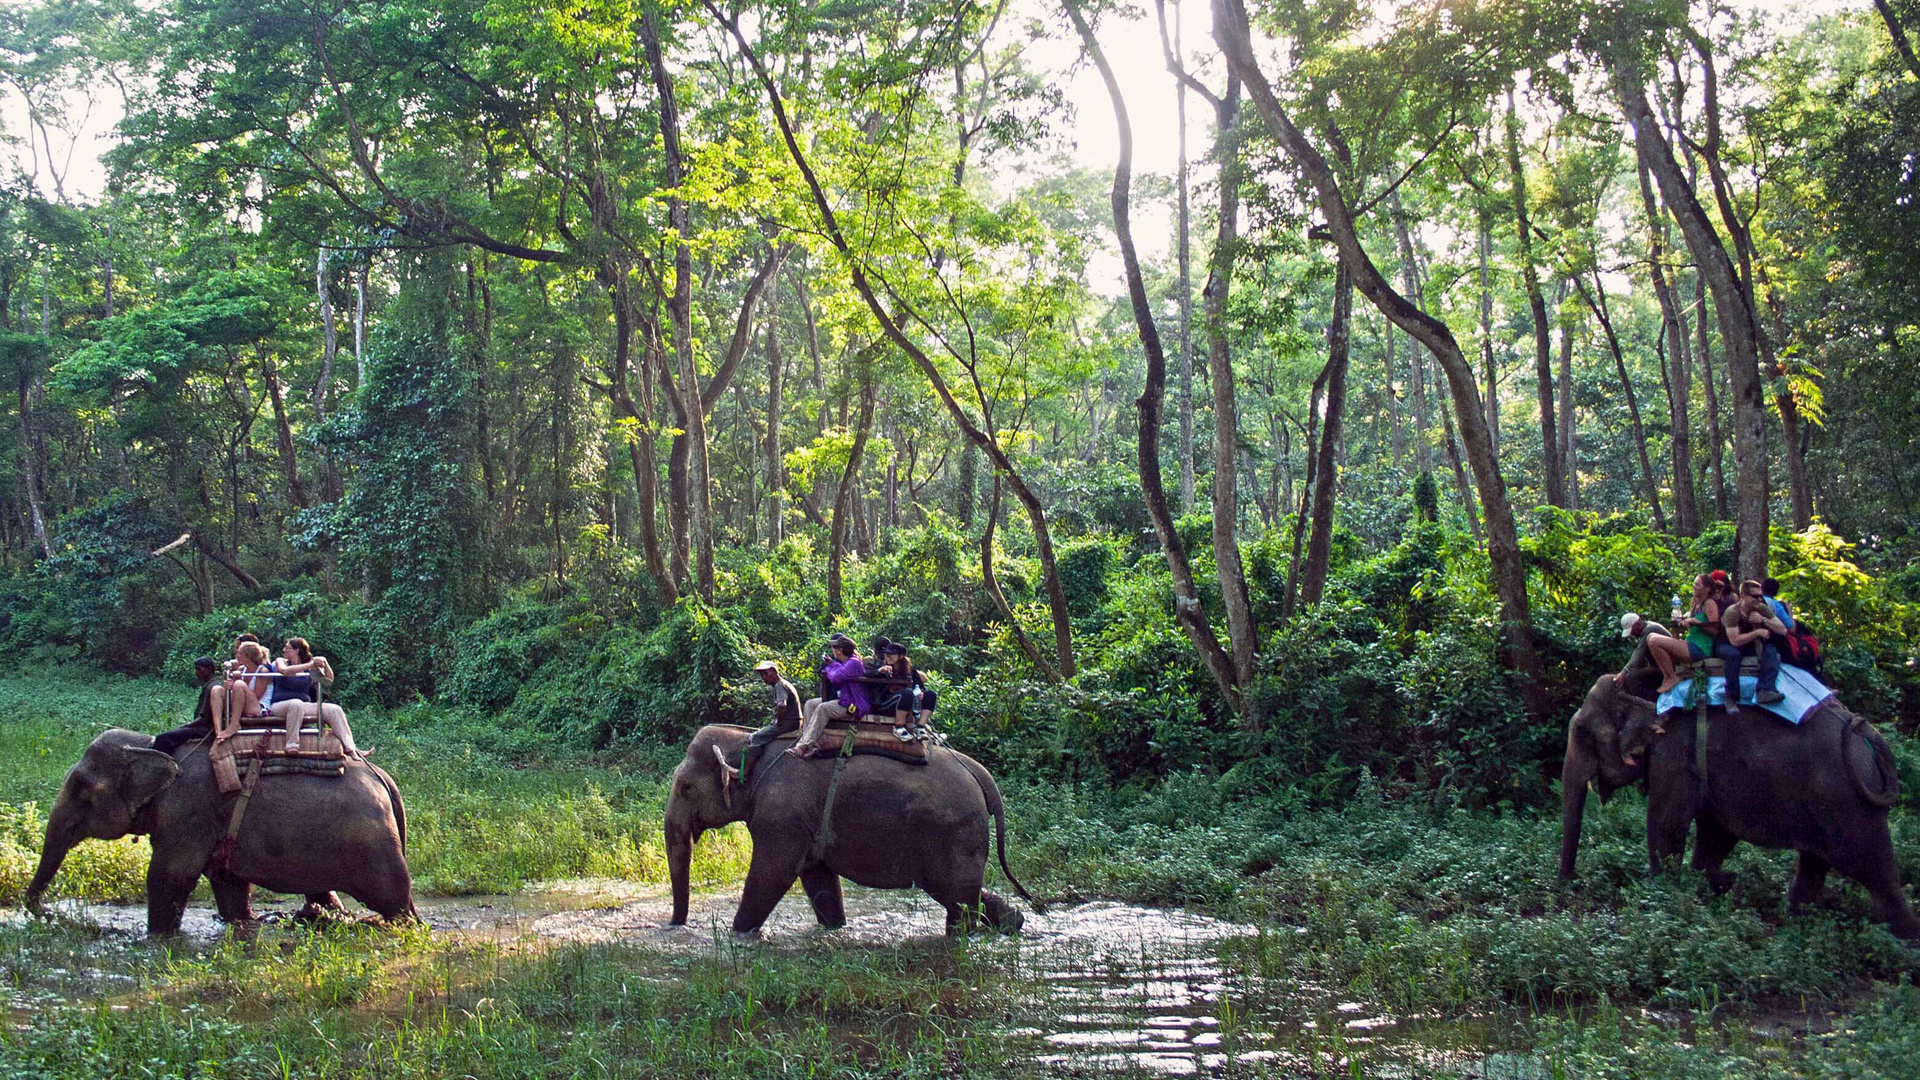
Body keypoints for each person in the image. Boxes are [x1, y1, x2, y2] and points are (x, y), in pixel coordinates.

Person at [791, 636, 873, 757]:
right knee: (810, 704)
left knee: (823, 708)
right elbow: (836, 672)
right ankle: (810, 742)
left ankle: (804, 744)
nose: (832, 650)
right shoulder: (846, 662)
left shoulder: (854, 662)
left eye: (834, 647)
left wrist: (829, 667)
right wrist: (832, 665)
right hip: (844, 698)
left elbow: (835, 677)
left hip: (853, 703)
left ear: (840, 650)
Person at [1719, 578, 1787, 706]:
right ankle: (1731, 697)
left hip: (1748, 643)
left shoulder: (1761, 608)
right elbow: (1734, 641)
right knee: (1734, 655)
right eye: (1755, 596)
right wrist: (1756, 633)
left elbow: (1783, 629)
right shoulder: (1732, 612)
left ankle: (1765, 690)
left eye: (1761, 596)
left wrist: (1764, 620)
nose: (1759, 599)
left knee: (1770, 649)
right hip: (1726, 644)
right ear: (1743, 596)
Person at [275, 637, 345, 754]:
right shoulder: (281, 661)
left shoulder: (309, 665)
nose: (284, 650)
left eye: (287, 648)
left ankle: (350, 747)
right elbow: (285, 671)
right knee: (296, 704)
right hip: (282, 705)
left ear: (297, 650)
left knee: (335, 709)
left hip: (304, 705)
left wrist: (325, 663)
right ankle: (292, 744)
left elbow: (328, 680)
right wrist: (310, 665)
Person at [154, 658, 223, 755]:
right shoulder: (210, 685)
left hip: (203, 730)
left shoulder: (211, 688)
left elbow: (205, 719)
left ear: (208, 669)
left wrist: (186, 725)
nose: (196, 672)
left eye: (199, 669)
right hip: (202, 727)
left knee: (162, 739)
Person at [1619, 611, 1692, 695]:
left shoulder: (1650, 630)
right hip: (1660, 667)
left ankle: (1649, 702)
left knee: (1631, 678)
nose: (1631, 634)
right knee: (1639, 674)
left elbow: (1638, 655)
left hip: (1669, 668)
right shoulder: (1646, 628)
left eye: (1632, 630)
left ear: (1638, 625)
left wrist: (1623, 673)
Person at [744, 660, 805, 758]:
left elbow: (782, 705)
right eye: (761, 675)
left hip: (788, 723)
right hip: (794, 721)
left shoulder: (780, 685)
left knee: (757, 737)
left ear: (774, 672)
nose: (763, 677)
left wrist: (778, 720)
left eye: (765, 673)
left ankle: (746, 770)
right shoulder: (783, 683)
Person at [873, 641, 932, 742]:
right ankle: (899, 726)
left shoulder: (910, 670)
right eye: (886, 654)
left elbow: (920, 686)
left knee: (931, 695)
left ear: (900, 656)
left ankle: (921, 727)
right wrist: (879, 671)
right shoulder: (880, 665)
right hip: (885, 703)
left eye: (891, 654)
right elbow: (867, 673)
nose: (888, 657)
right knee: (907, 692)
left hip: (907, 704)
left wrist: (920, 692)